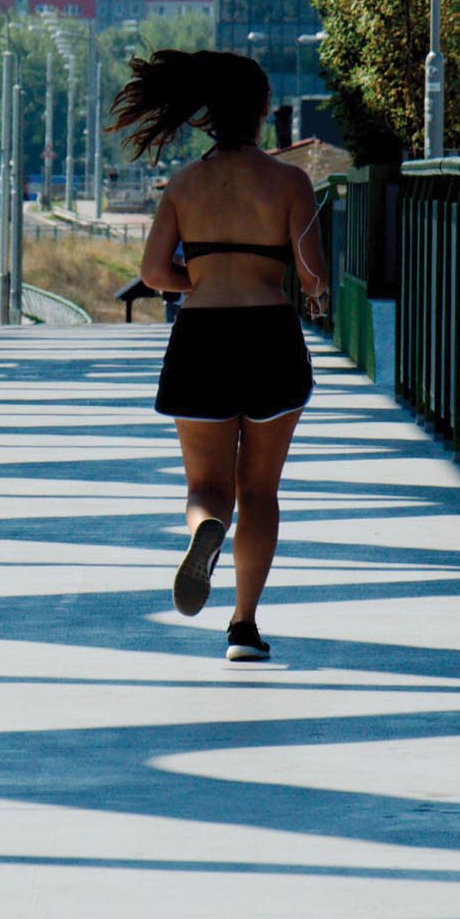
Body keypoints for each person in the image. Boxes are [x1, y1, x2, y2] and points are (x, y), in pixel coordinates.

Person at [112, 51, 329, 663]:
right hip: (270, 337)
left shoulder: (185, 184)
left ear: (211, 116)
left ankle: (204, 530)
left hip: (201, 337)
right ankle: (243, 626)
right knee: (259, 490)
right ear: (263, 112)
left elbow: (154, 272)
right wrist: (308, 290)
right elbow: (312, 274)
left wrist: (201, 280)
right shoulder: (290, 182)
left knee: (207, 485)